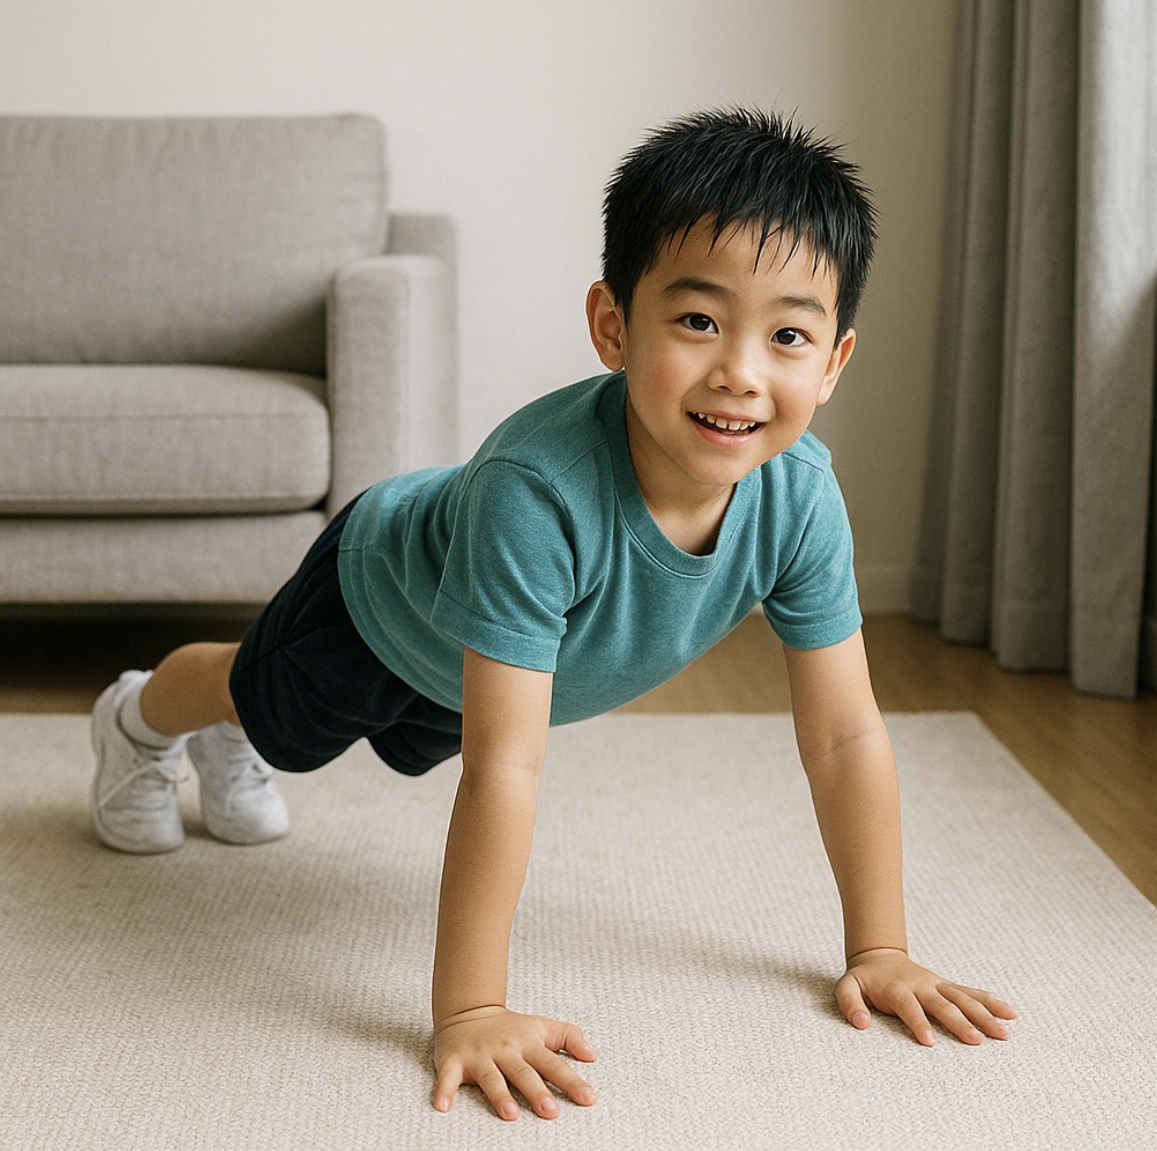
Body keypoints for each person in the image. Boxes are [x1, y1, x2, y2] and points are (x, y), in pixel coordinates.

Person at [90, 108, 1017, 1123]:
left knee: (385, 740)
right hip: (378, 603)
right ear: (613, 325)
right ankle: (139, 716)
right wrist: (470, 1005)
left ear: (832, 362)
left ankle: (229, 734)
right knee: (264, 703)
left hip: (483, 665)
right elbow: (509, 764)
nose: (739, 371)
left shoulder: (799, 498)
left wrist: (877, 945)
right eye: (698, 320)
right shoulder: (536, 492)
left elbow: (842, 734)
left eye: (786, 334)